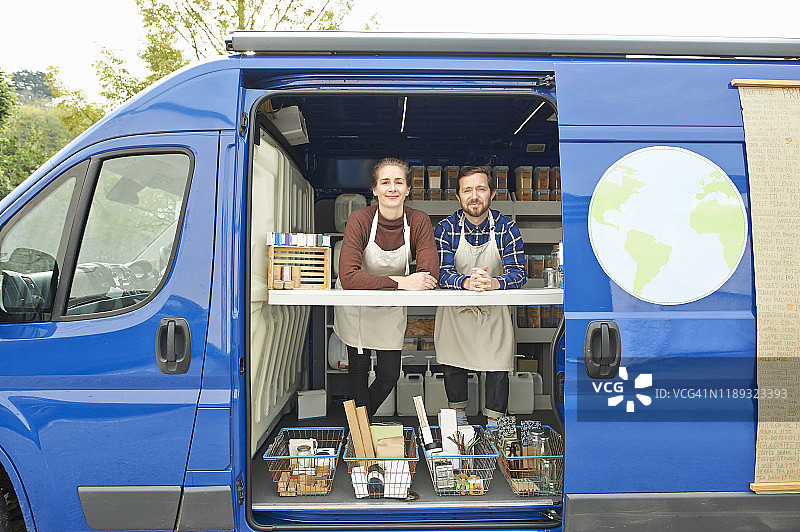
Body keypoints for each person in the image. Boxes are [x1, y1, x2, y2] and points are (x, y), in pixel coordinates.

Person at [334, 158, 439, 416]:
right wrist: (401, 282)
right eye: (385, 182)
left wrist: (406, 282)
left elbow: (429, 273)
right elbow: (348, 277)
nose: (392, 188)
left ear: (407, 189)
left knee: (389, 374)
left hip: (391, 305)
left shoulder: (419, 220)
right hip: (356, 304)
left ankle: (359, 427)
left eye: (398, 182)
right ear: (374, 189)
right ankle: (362, 439)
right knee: (358, 370)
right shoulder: (359, 220)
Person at [434, 165, 526, 427]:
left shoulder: (507, 228)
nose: (474, 196)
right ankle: (459, 425)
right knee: (453, 366)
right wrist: (466, 282)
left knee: (498, 370)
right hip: (456, 313)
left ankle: (495, 428)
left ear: (492, 193)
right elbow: (441, 273)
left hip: (493, 311)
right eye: (467, 190)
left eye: (480, 189)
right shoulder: (445, 229)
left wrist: (494, 282)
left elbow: (519, 272)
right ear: (458, 196)